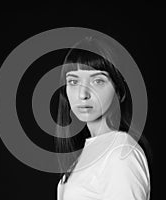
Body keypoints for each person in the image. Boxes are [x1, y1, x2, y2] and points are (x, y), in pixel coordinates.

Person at [54, 37, 151, 200]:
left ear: (118, 90)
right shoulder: (90, 152)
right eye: (73, 81)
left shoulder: (120, 152)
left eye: (98, 81)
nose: (82, 94)